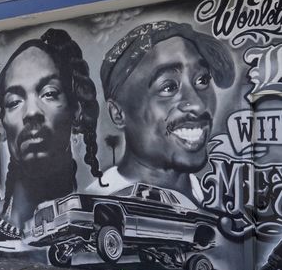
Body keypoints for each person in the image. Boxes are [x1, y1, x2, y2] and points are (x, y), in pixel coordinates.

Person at [86, 21, 234, 204]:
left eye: (202, 80)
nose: (198, 105)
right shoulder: (96, 207)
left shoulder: (219, 203)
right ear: (117, 113)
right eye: (168, 87)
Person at [0, 28, 105, 228]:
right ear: (1, 126)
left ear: (75, 111)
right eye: (14, 102)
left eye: (49, 93)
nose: (31, 113)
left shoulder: (99, 221)